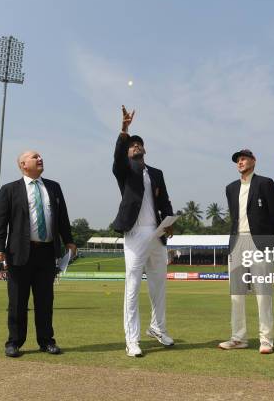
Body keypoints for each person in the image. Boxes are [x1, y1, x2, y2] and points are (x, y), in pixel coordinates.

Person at [0, 150, 77, 358]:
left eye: (40, 156)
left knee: (45, 301)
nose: (40, 159)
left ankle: (46, 341)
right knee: (17, 302)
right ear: (23, 164)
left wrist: (69, 240)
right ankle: (14, 342)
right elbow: (0, 222)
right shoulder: (9, 190)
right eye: (34, 157)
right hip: (19, 253)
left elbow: (62, 217)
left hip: (47, 253)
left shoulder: (54, 187)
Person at [112, 105, 175, 357]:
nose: (136, 147)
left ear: (145, 149)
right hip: (135, 234)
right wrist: (124, 130)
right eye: (132, 145)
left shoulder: (157, 173)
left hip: (156, 234)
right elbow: (117, 157)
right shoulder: (125, 171)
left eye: (139, 144)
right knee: (133, 286)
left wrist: (169, 223)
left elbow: (166, 201)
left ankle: (157, 328)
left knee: (159, 285)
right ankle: (132, 339)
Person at [219, 149, 274, 354]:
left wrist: (267, 241)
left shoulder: (265, 183)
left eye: (244, 158)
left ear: (254, 161)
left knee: (262, 293)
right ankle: (238, 338)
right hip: (237, 241)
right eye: (238, 159)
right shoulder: (230, 188)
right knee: (236, 294)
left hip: (259, 243)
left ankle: (266, 339)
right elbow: (235, 217)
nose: (240, 162)